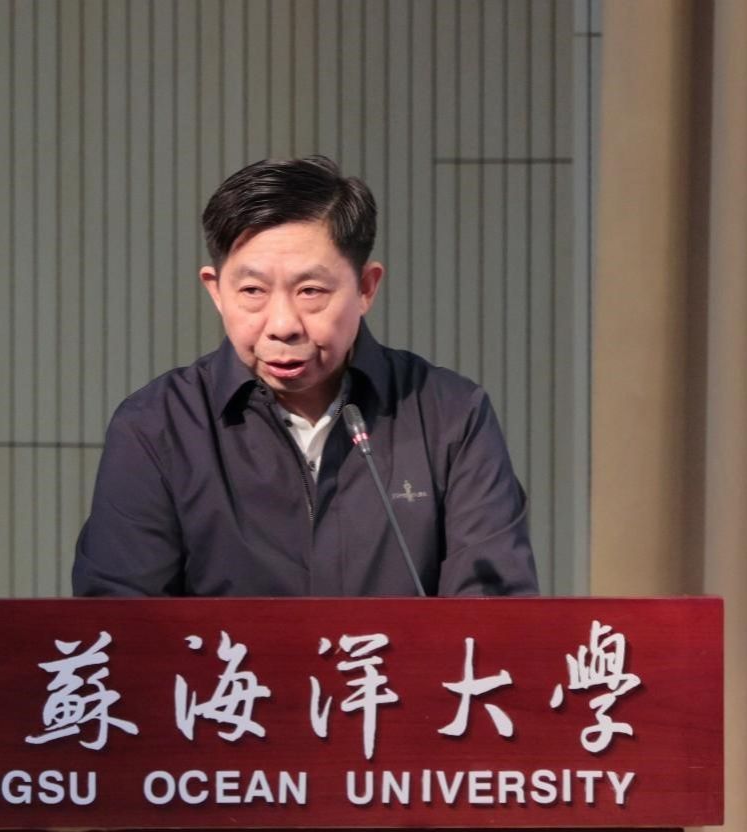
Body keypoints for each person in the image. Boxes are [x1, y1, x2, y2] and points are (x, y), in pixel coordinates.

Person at [72, 156, 537, 597]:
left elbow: (494, 615)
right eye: (252, 290)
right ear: (216, 291)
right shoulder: (158, 426)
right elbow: (121, 624)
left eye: (311, 291)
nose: (282, 325)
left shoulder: (450, 416)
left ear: (366, 287)